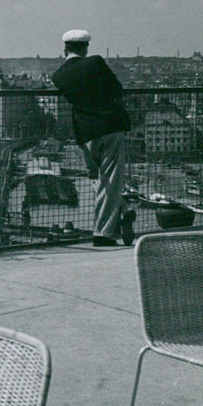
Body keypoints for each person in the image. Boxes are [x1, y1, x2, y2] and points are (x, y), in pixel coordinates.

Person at [51, 30, 136, 247]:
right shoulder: (96, 63)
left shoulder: (58, 76)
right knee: (111, 178)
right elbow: (117, 89)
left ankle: (124, 210)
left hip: (84, 132)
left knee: (96, 176)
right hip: (110, 127)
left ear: (65, 49)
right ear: (85, 48)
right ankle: (103, 234)